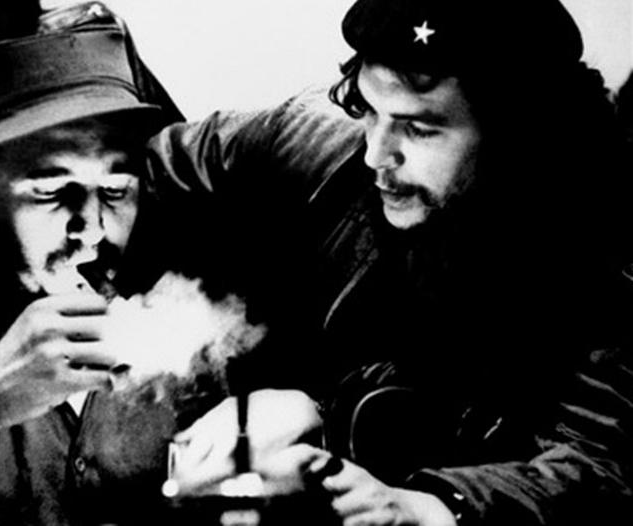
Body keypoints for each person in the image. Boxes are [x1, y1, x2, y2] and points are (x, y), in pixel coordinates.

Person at [147, 0, 633, 524]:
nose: (375, 156)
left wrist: (425, 507)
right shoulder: (314, 145)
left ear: (518, 138)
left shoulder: (611, 262)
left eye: (419, 128)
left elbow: (598, 464)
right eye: (368, 110)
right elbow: (141, 167)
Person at [0, 3, 321, 525]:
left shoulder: (202, 328)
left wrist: (303, 413)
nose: (92, 227)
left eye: (115, 189)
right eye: (51, 192)